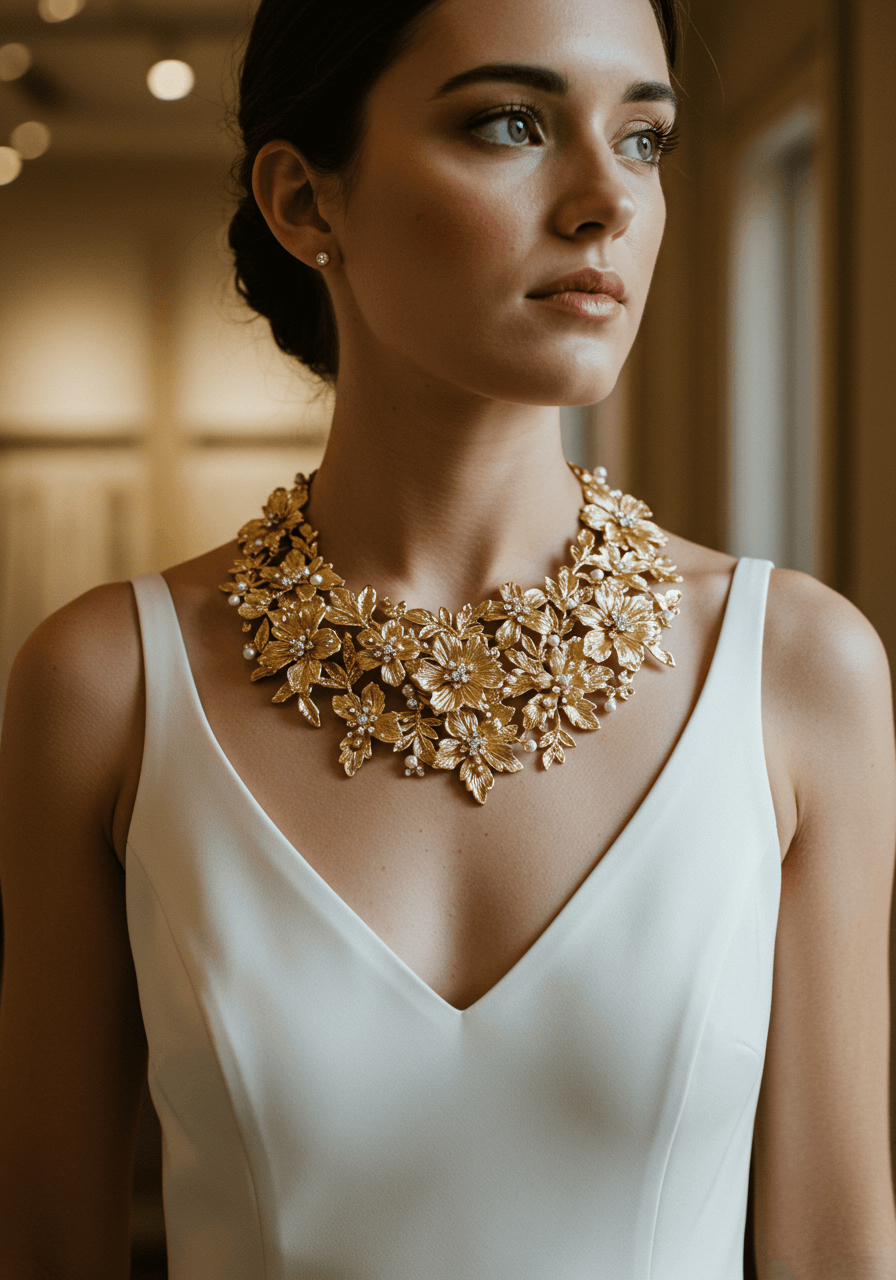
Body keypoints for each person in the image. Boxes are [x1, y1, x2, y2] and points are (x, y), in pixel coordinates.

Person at [2, 0, 895, 1275]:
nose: (605, 201)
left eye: (643, 140)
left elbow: (834, 1254)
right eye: (511, 124)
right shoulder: (104, 687)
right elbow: (44, 1245)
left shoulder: (796, 672)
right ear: (306, 202)